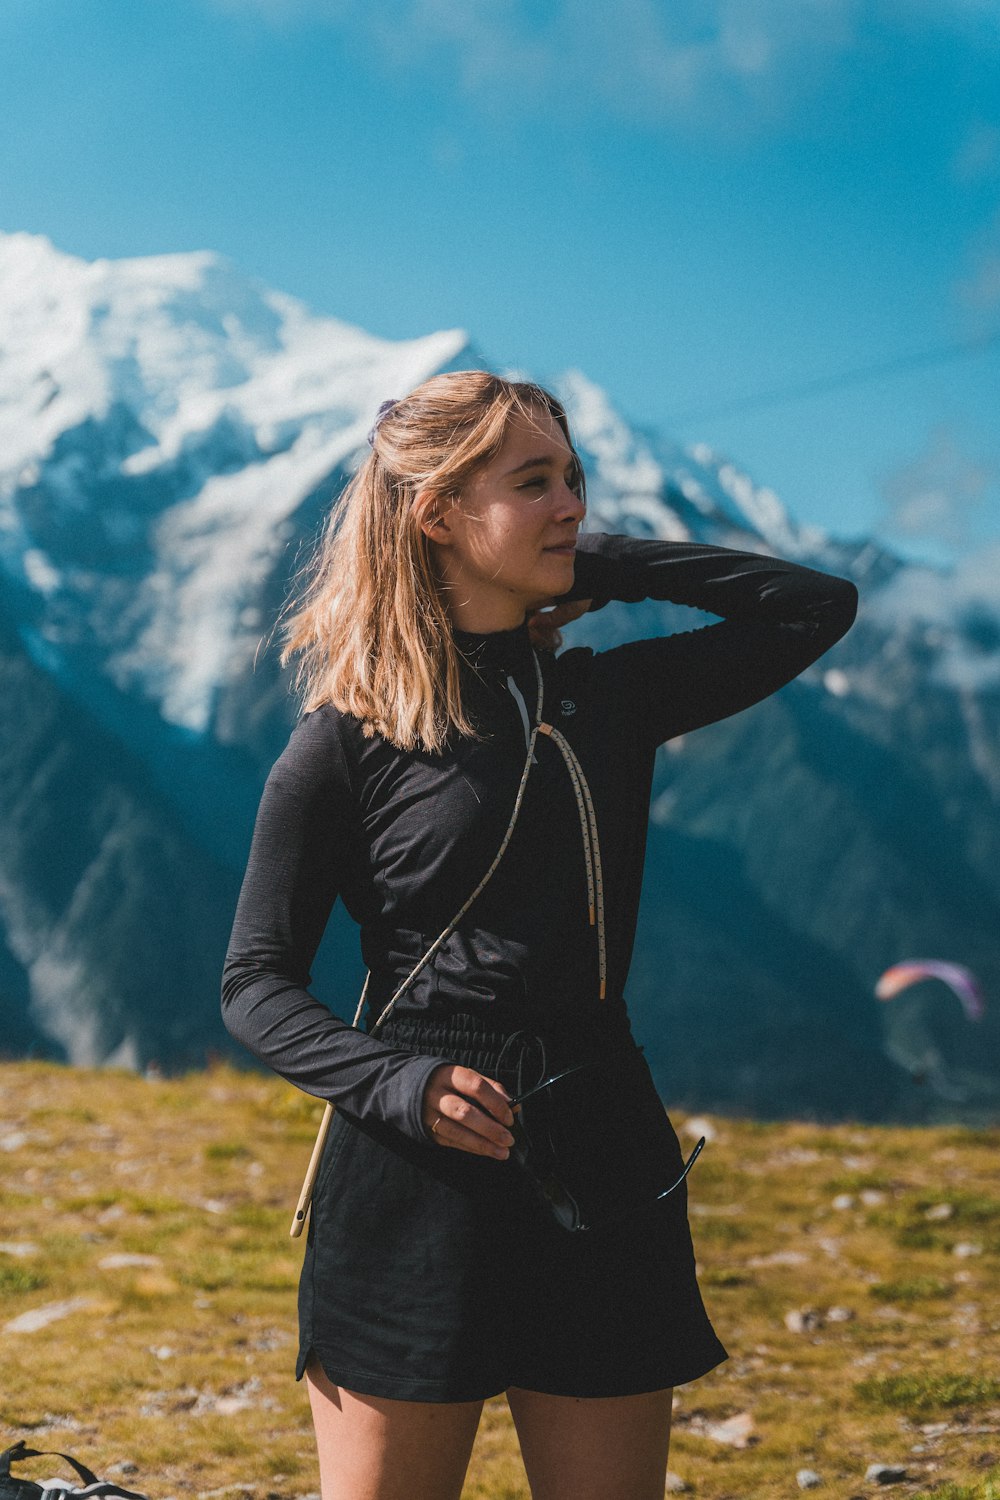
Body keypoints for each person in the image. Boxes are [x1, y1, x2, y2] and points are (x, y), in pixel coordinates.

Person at [220, 371, 859, 1500]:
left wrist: (594, 561)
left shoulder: (610, 701)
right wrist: (395, 1083)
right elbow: (255, 983)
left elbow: (814, 607)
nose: (570, 501)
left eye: (575, 479)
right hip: (414, 1158)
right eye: (533, 483)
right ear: (433, 513)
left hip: (601, 1136)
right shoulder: (346, 741)